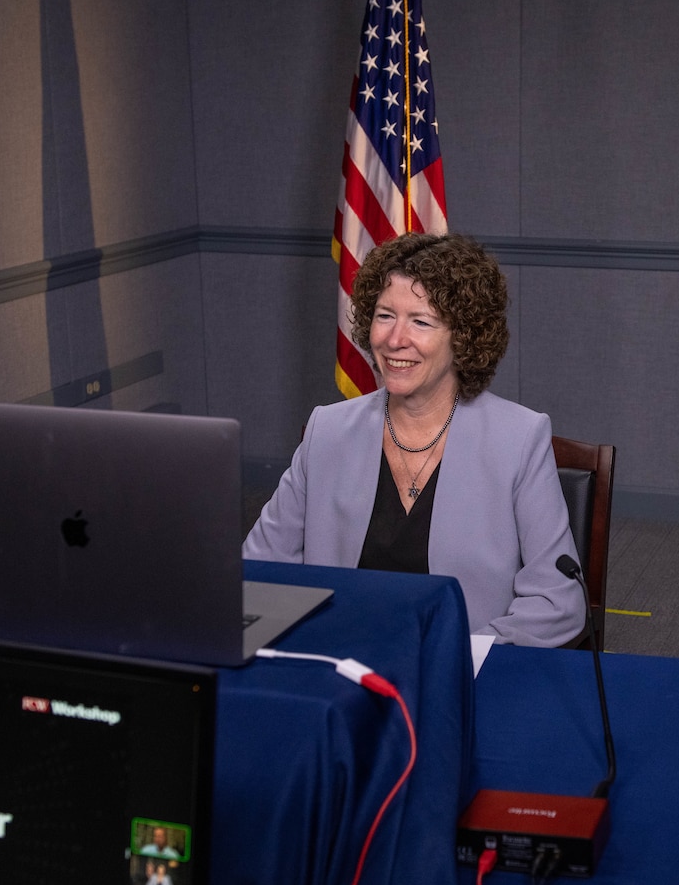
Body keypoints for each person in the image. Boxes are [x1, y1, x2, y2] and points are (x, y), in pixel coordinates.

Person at [244, 233, 585, 647]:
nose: (394, 339)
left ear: (463, 337)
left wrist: (457, 657)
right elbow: (257, 569)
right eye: (385, 315)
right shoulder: (327, 431)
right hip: (341, 665)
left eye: (420, 321)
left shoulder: (519, 439)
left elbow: (557, 601)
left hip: (458, 673)